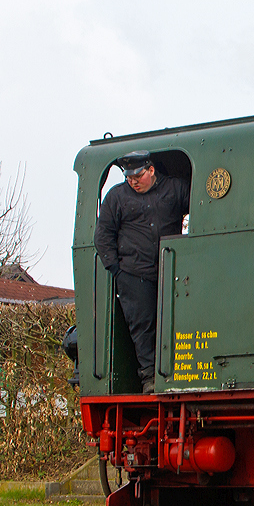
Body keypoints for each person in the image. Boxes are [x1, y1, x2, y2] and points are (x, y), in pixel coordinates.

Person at [93, 151, 191, 393]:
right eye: (129, 177)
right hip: (133, 273)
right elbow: (102, 235)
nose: (133, 181)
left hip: (172, 271)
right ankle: (150, 378)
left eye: (137, 175)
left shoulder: (175, 189)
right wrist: (116, 269)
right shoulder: (116, 197)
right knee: (143, 325)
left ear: (151, 170)